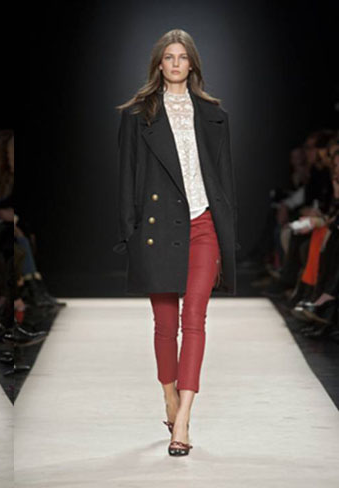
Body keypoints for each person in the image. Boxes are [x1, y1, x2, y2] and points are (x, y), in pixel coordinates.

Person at [113, 29, 239, 456]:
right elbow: (127, 178)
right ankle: (169, 395)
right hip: (159, 228)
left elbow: (224, 180)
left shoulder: (214, 115)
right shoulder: (138, 115)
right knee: (165, 325)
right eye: (168, 57)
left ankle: (182, 417)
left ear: (192, 64)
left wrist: (227, 231)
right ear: (159, 64)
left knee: (195, 319)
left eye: (182, 57)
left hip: (203, 223)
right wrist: (130, 232)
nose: (175, 64)